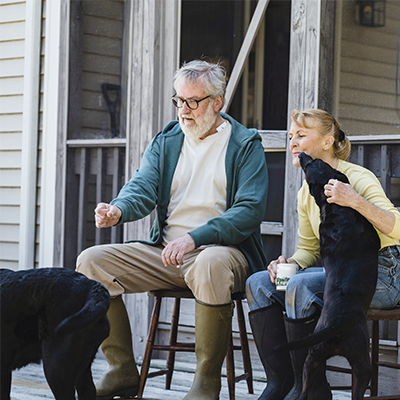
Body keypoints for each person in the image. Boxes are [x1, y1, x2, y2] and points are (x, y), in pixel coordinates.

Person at [76, 59, 268, 400]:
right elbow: (143, 186)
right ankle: (121, 370)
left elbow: (249, 212)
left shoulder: (244, 143)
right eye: (179, 100)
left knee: (210, 264)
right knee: (91, 262)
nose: (184, 110)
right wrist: (118, 209)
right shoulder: (168, 139)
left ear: (217, 102)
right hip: (165, 253)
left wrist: (196, 237)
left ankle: (206, 382)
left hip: (221, 255)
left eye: (193, 101)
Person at [246, 108, 400, 400]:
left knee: (300, 285)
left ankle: (311, 388)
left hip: (384, 274)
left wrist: (354, 200)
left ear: (328, 142)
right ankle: (282, 382)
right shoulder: (307, 190)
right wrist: (287, 262)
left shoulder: (357, 177)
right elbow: (308, 250)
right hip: (340, 275)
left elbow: (399, 228)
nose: (292, 142)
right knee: (260, 284)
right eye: (291, 135)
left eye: (301, 135)